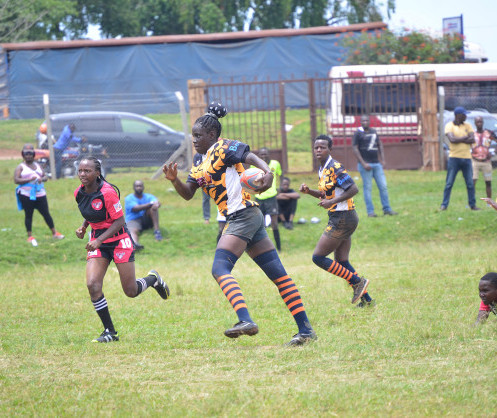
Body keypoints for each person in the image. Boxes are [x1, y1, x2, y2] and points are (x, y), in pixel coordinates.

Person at [163, 101, 316, 346]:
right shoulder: (199, 161)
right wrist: (174, 181)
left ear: (212, 134)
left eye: (198, 135)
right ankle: (306, 331)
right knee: (279, 276)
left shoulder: (223, 147)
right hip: (245, 216)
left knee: (219, 268)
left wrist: (268, 173)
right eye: (193, 135)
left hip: (242, 215)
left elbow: (249, 156)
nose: (194, 139)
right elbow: (188, 193)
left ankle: (245, 320)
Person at [74, 157, 170, 343]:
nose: (82, 174)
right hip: (98, 242)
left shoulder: (108, 192)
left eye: (87, 171)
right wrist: (84, 227)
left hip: (119, 240)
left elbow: (119, 221)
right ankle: (110, 331)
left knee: (131, 291)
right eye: (80, 171)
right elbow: (91, 211)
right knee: (93, 285)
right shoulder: (79, 192)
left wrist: (99, 240)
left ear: (97, 173)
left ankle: (153, 279)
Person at [300, 135, 374, 308]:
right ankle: (367, 300)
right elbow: (326, 194)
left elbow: (353, 189)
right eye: (316, 147)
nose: (318, 150)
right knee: (341, 260)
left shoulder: (335, 167)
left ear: (330, 149)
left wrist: (332, 202)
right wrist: (309, 191)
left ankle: (358, 282)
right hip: (342, 217)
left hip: (343, 217)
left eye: (322, 147)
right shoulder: (323, 169)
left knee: (318, 257)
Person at [14, 143, 65, 246]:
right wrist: (29, 179)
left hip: (40, 194)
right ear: (23, 155)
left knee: (46, 213)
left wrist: (42, 179)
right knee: (29, 214)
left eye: (30, 153)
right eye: (26, 154)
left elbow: (45, 176)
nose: (28, 156)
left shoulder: (38, 166)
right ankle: (30, 236)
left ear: (33, 154)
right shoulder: (21, 167)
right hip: (26, 195)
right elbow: (16, 180)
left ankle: (54, 233)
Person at [352, 115, 398, 217]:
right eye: (363, 121)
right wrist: (363, 163)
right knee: (368, 188)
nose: (365, 122)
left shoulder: (373, 131)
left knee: (383, 187)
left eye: (366, 120)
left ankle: (387, 209)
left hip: (377, 164)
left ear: (369, 121)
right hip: (365, 165)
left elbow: (379, 144)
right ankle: (370, 212)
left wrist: (383, 159)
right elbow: (355, 148)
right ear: (360, 122)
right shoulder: (357, 133)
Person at [440, 107, 479, 211]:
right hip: (454, 158)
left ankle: (472, 205)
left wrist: (460, 139)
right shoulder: (449, 126)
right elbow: (452, 139)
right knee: (449, 183)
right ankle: (444, 205)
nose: (466, 116)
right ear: (458, 116)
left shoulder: (468, 125)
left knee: (470, 183)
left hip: (467, 158)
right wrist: (465, 137)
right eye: (464, 115)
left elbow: (472, 139)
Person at [255, 147, 283, 251]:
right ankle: (262, 248)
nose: (263, 156)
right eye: (261, 154)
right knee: (260, 225)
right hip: (259, 198)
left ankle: (279, 248)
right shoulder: (255, 166)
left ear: (269, 154)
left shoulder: (275, 164)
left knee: (274, 224)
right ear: (259, 156)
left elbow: (281, 174)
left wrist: (280, 187)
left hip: (271, 198)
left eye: (265, 154)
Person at [125, 180, 163, 250]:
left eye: (140, 186)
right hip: (134, 219)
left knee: (153, 208)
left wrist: (156, 205)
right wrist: (150, 204)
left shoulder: (149, 196)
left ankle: (157, 231)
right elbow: (135, 208)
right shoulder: (129, 198)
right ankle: (135, 244)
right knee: (132, 230)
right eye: (137, 186)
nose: (139, 188)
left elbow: (157, 202)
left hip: (146, 219)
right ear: (133, 187)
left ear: (143, 187)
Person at [472, 116, 496, 201]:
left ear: (483, 122)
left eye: (481, 122)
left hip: (486, 161)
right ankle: (471, 202)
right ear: (475, 123)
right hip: (475, 160)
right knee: (473, 181)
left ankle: (489, 201)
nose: (479, 124)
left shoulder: (488, 133)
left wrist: (493, 152)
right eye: (478, 122)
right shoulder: (472, 134)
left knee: (488, 182)